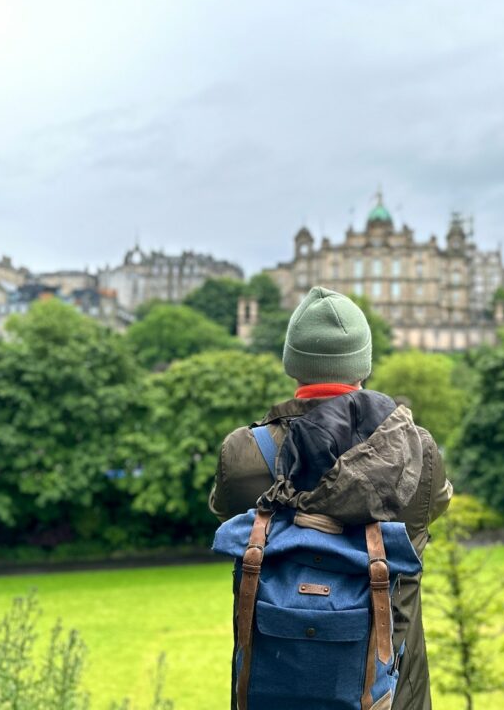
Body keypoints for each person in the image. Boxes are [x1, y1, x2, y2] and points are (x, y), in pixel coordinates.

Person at [210, 285, 452, 709]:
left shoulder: (242, 452)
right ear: (363, 363)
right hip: (391, 696)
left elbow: (225, 511)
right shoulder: (417, 451)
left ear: (292, 363)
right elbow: (436, 505)